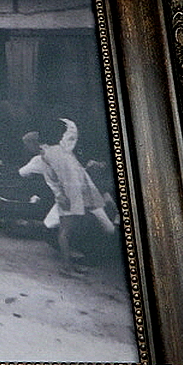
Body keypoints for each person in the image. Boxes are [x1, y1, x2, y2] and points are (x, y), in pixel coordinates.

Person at [19, 118, 117, 275]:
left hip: (79, 192)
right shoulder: (51, 153)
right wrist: (61, 195)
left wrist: (68, 123)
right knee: (66, 231)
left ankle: (70, 264)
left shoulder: (52, 153)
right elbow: (54, 179)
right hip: (74, 193)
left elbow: (53, 179)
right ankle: (67, 266)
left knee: (68, 231)